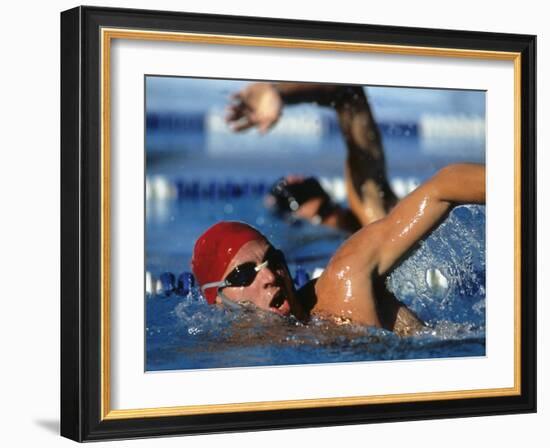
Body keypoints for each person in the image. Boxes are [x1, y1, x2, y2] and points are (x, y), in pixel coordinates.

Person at [192, 163, 486, 336]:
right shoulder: (225, 353)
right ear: (218, 301)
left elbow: (442, 188)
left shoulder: (345, 280)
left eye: (273, 259)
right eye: (244, 274)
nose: (269, 275)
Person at [225, 82, 398, 230]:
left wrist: (280, 93)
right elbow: (350, 98)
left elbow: (349, 96)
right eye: (289, 190)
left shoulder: (372, 215)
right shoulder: (374, 219)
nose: (299, 178)